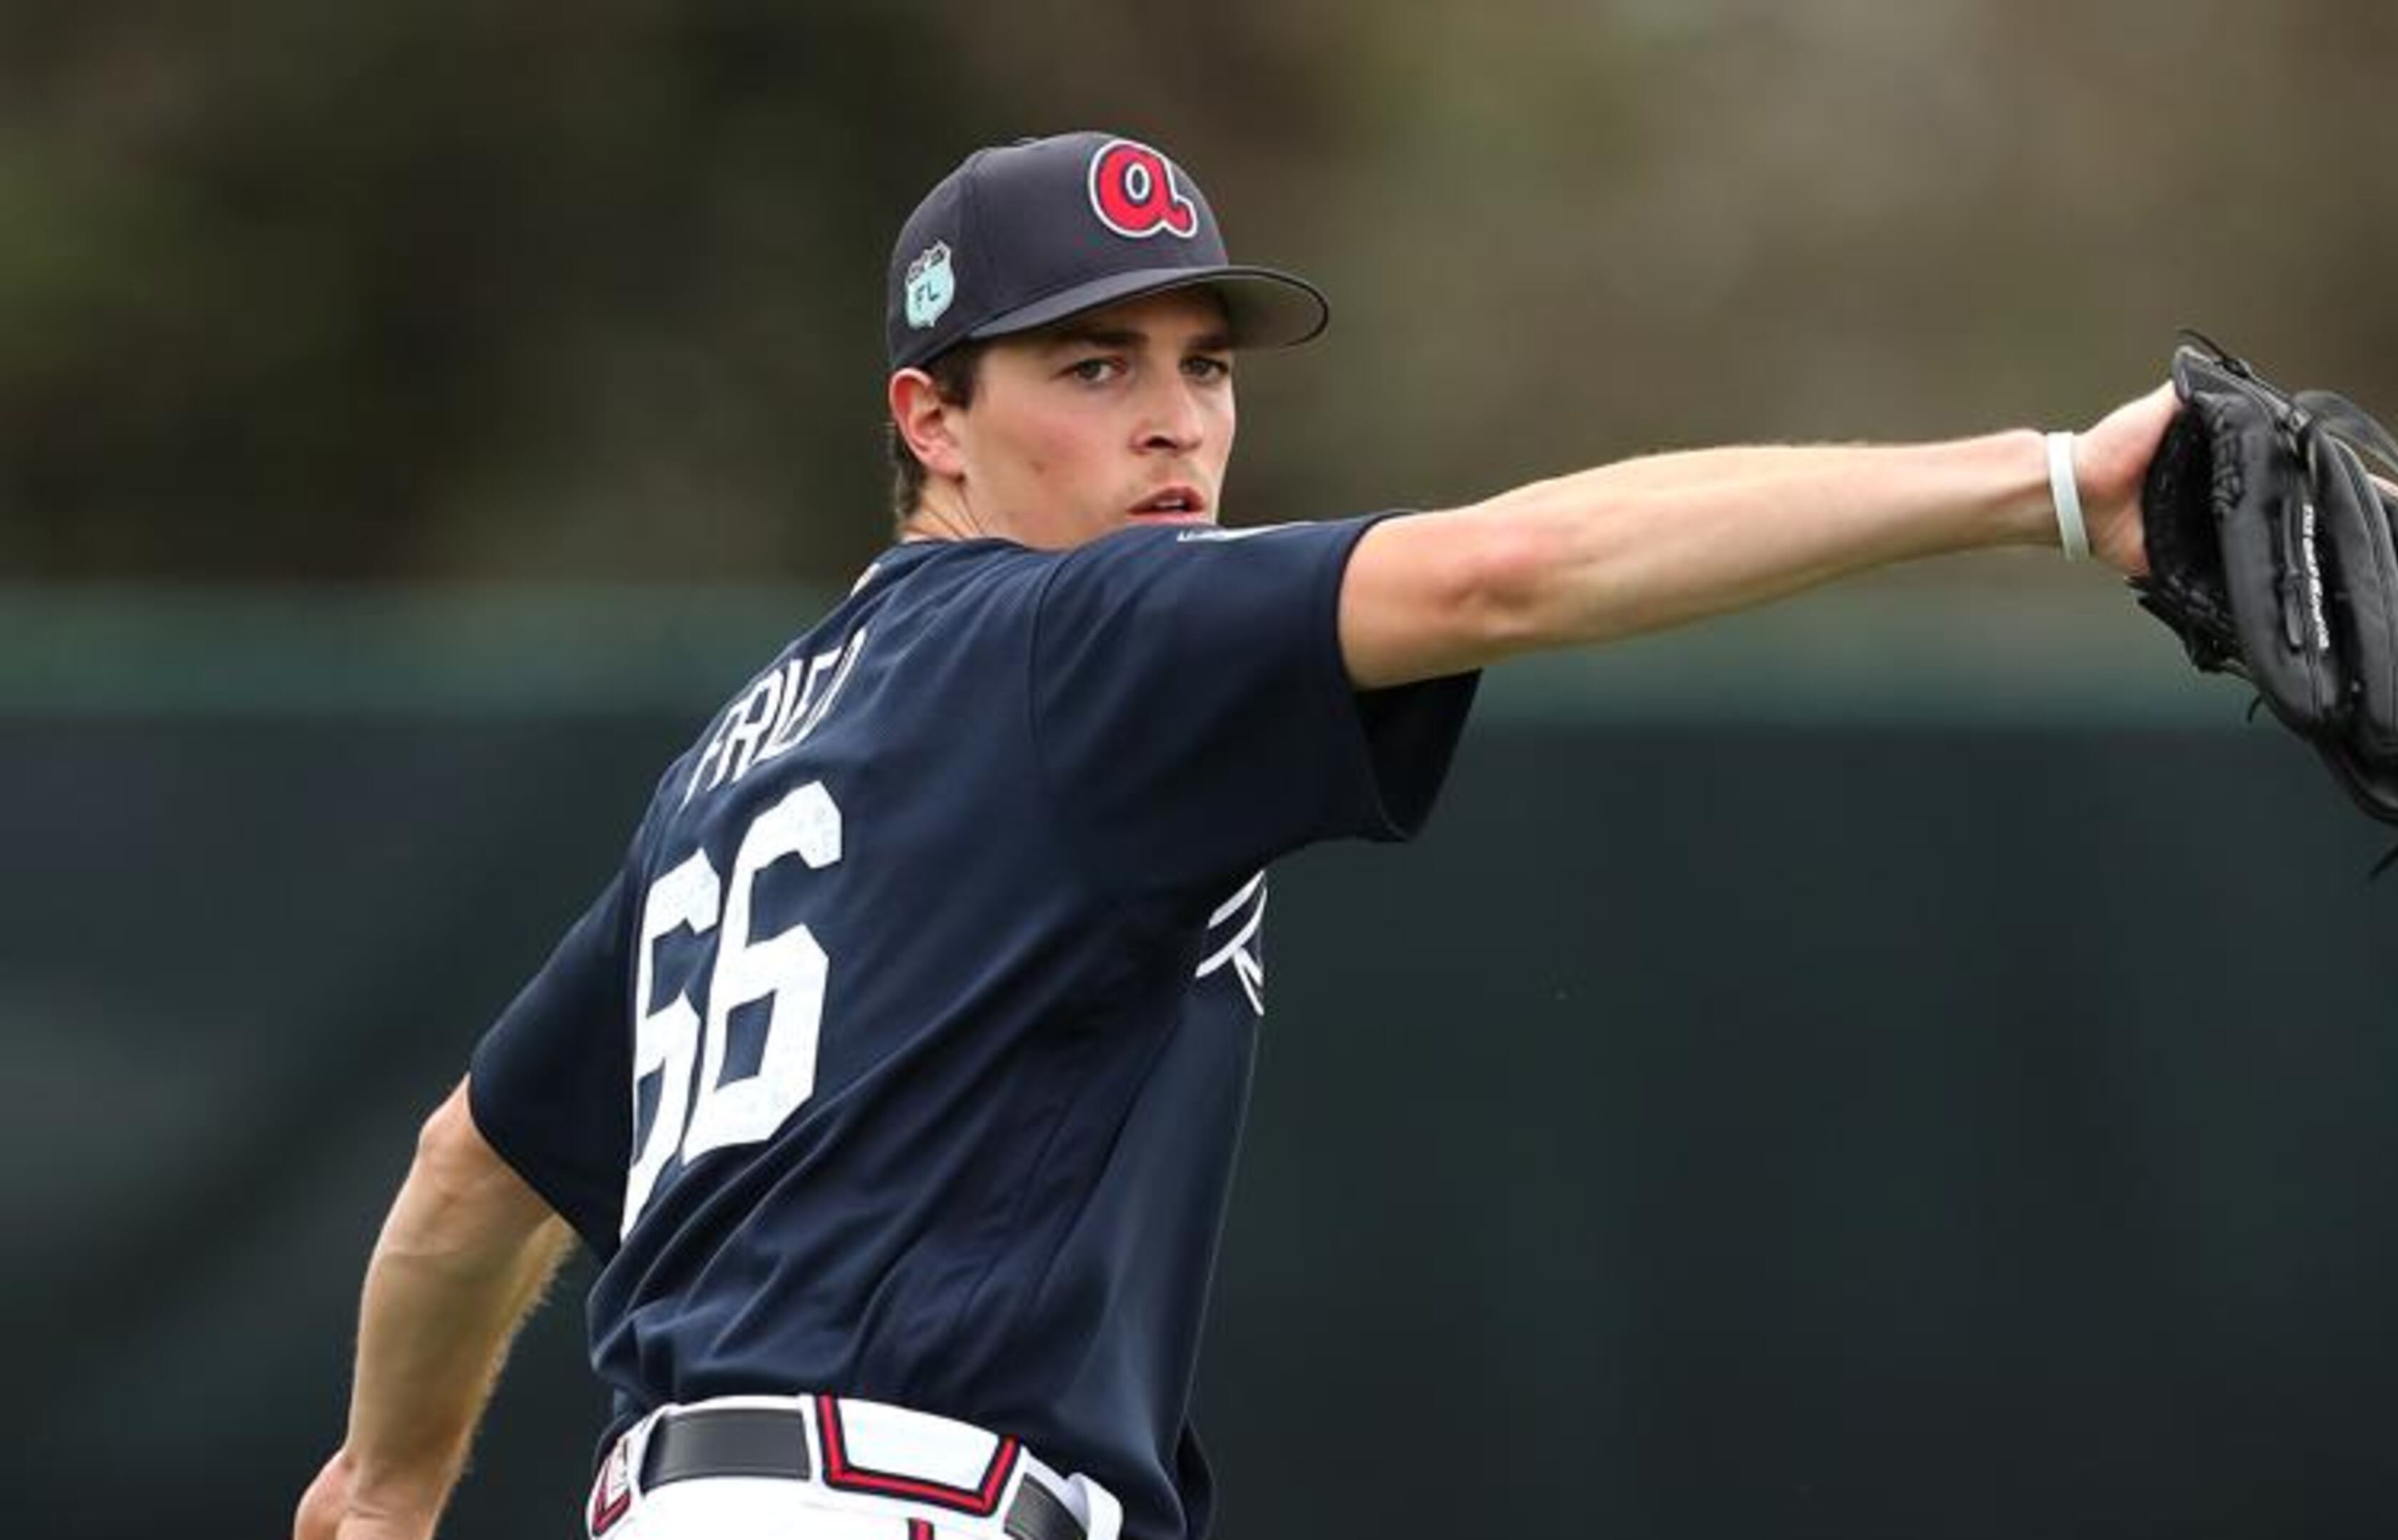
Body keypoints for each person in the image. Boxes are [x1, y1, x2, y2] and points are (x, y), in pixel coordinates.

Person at [294, 130, 2176, 1540]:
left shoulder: (748, 752)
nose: (1176, 424)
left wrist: (385, 1487)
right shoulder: (1082, 634)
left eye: (1206, 364)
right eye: (1093, 367)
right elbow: (1515, 567)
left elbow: (475, 1169)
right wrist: (2052, 490)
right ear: (929, 420)